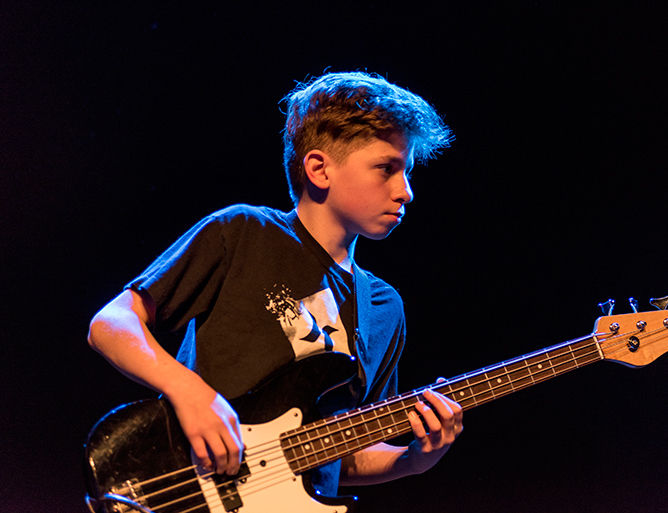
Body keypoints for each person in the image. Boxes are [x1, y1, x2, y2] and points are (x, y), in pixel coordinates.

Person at [87, 71, 463, 498]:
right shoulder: (246, 232)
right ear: (319, 169)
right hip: (192, 489)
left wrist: (412, 460)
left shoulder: (384, 308)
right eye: (386, 168)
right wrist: (188, 391)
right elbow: (111, 324)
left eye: (407, 171)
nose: (406, 191)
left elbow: (338, 455)